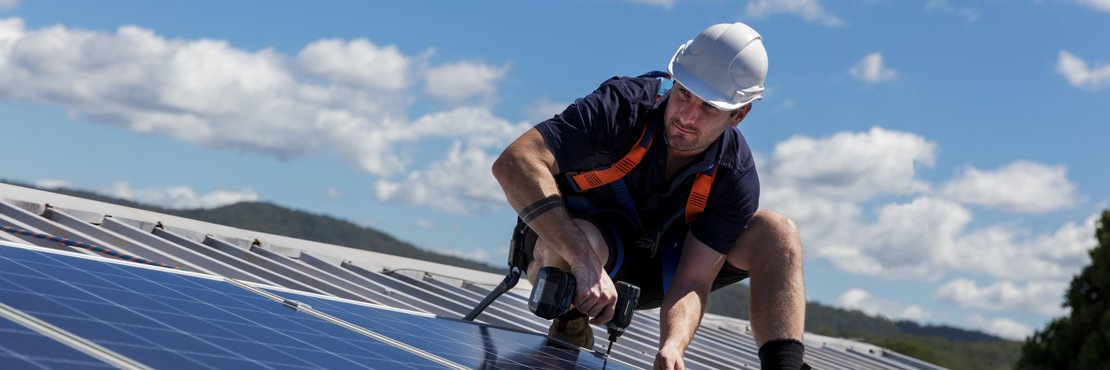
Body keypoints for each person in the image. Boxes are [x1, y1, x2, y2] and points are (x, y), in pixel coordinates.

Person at [491, 22, 806, 370]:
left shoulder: (734, 176)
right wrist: (583, 259)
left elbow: (692, 280)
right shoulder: (621, 107)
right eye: (684, 93)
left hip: (656, 273)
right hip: (573, 249)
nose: (687, 116)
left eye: (708, 108)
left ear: (739, 115)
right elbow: (515, 162)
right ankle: (572, 321)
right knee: (587, 240)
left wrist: (673, 346)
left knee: (778, 233)